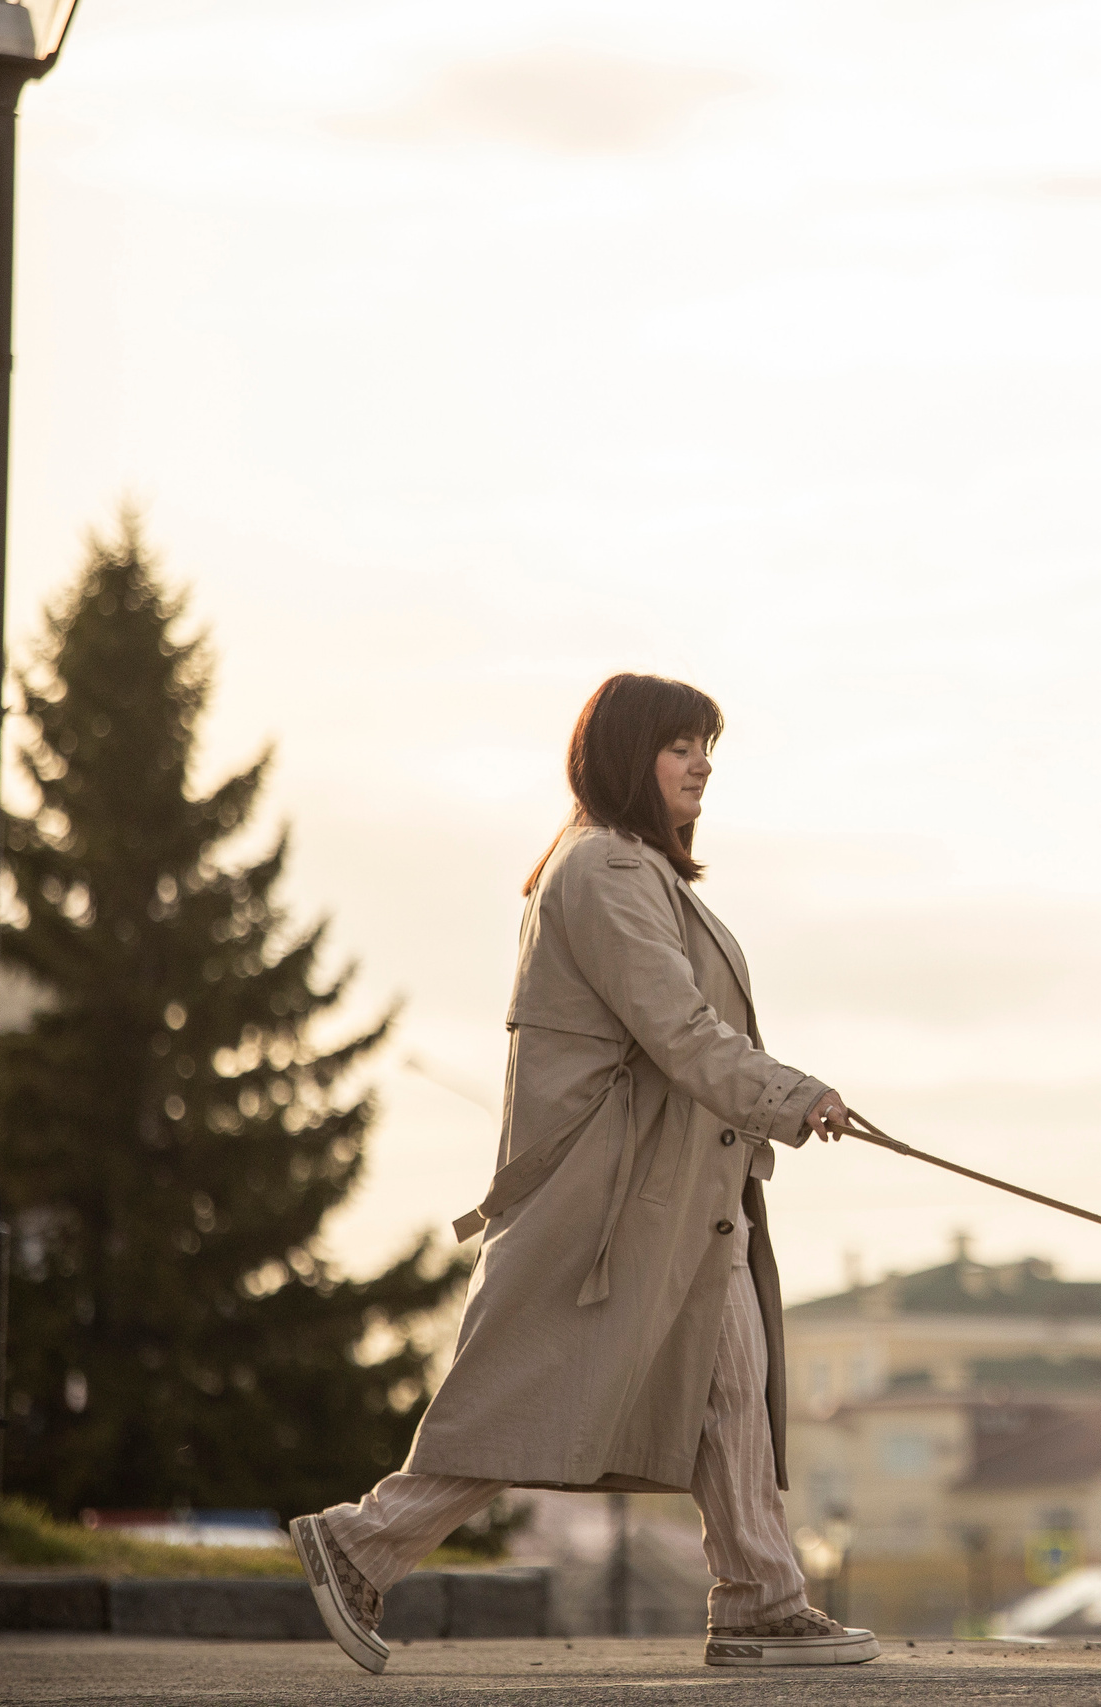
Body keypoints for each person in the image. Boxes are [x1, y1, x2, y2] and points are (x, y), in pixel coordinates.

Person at [290, 673, 878, 1671]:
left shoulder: (634, 869)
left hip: (685, 1203)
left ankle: (760, 1600)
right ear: (622, 757)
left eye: (707, 749)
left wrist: (780, 1103)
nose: (701, 766)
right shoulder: (604, 869)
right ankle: (358, 1542)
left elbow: (684, 1038)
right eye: (679, 745)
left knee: (729, 1393)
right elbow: (680, 1031)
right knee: (535, 1398)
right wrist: (795, 1096)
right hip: (613, 1210)